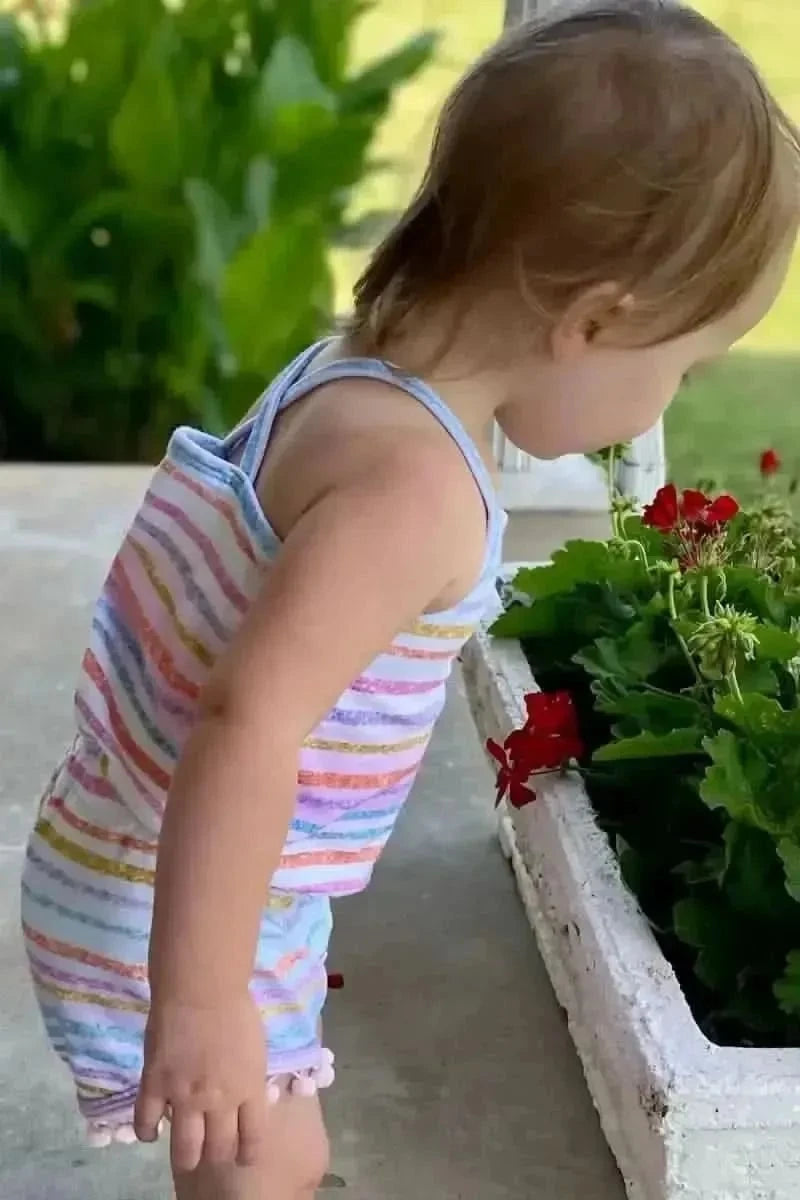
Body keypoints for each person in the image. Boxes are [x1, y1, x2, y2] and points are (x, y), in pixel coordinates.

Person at [20, 1, 799, 1197]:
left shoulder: (354, 363)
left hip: (152, 851)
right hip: (178, 906)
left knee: (264, 1147)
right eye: (678, 369)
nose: (667, 404)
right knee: (262, 1158)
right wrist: (206, 996)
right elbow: (249, 722)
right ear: (593, 322)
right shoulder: (414, 491)